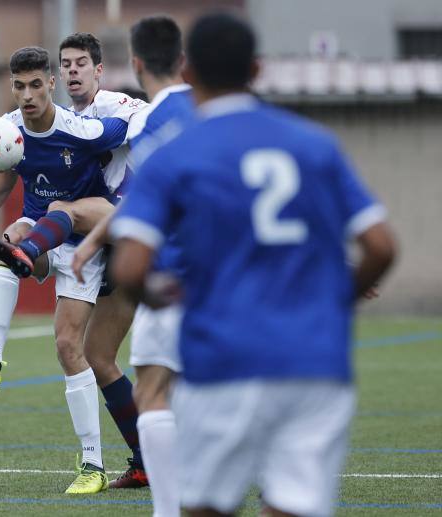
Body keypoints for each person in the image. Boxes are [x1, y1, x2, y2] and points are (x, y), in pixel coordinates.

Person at [110, 13, 396, 517]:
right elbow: (380, 246)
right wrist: (333, 297)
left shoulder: (171, 152)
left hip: (224, 358)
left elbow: (131, 270)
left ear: (189, 72)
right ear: (258, 69)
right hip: (314, 359)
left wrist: (164, 295)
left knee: (203, 506)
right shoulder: (313, 142)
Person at [0, 33, 149, 488]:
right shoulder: (34, 120)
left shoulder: (115, 109)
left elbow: (150, 120)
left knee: (58, 215)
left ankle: (22, 254)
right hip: (78, 235)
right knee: (94, 355)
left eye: (80, 64)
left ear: (98, 71)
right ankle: (145, 458)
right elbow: (7, 160)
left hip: (120, 226)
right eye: (67, 63)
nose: (73, 71)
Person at [72, 15, 194, 515]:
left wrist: (91, 236)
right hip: (230, 272)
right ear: (183, 61)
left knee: (154, 386)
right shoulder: (219, 110)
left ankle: (171, 501)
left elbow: (145, 200)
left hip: (172, 271)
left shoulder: (144, 122)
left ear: (134, 64)